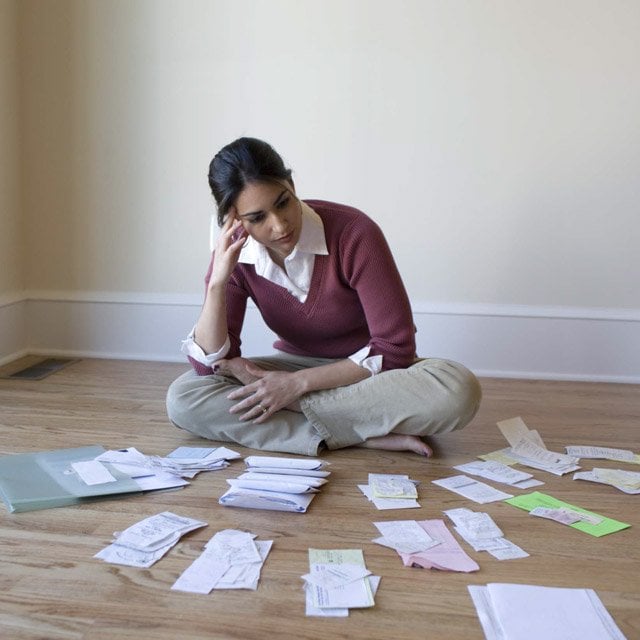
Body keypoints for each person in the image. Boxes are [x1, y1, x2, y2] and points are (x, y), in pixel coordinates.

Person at [166, 137, 481, 457]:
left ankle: (311, 423)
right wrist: (218, 281)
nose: (279, 224)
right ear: (234, 220)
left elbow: (395, 350)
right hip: (292, 367)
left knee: (456, 389)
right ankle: (359, 434)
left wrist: (297, 386)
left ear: (291, 184)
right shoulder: (234, 255)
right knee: (185, 397)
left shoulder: (354, 232)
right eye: (257, 218)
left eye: (283, 202)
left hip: (368, 374)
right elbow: (210, 365)